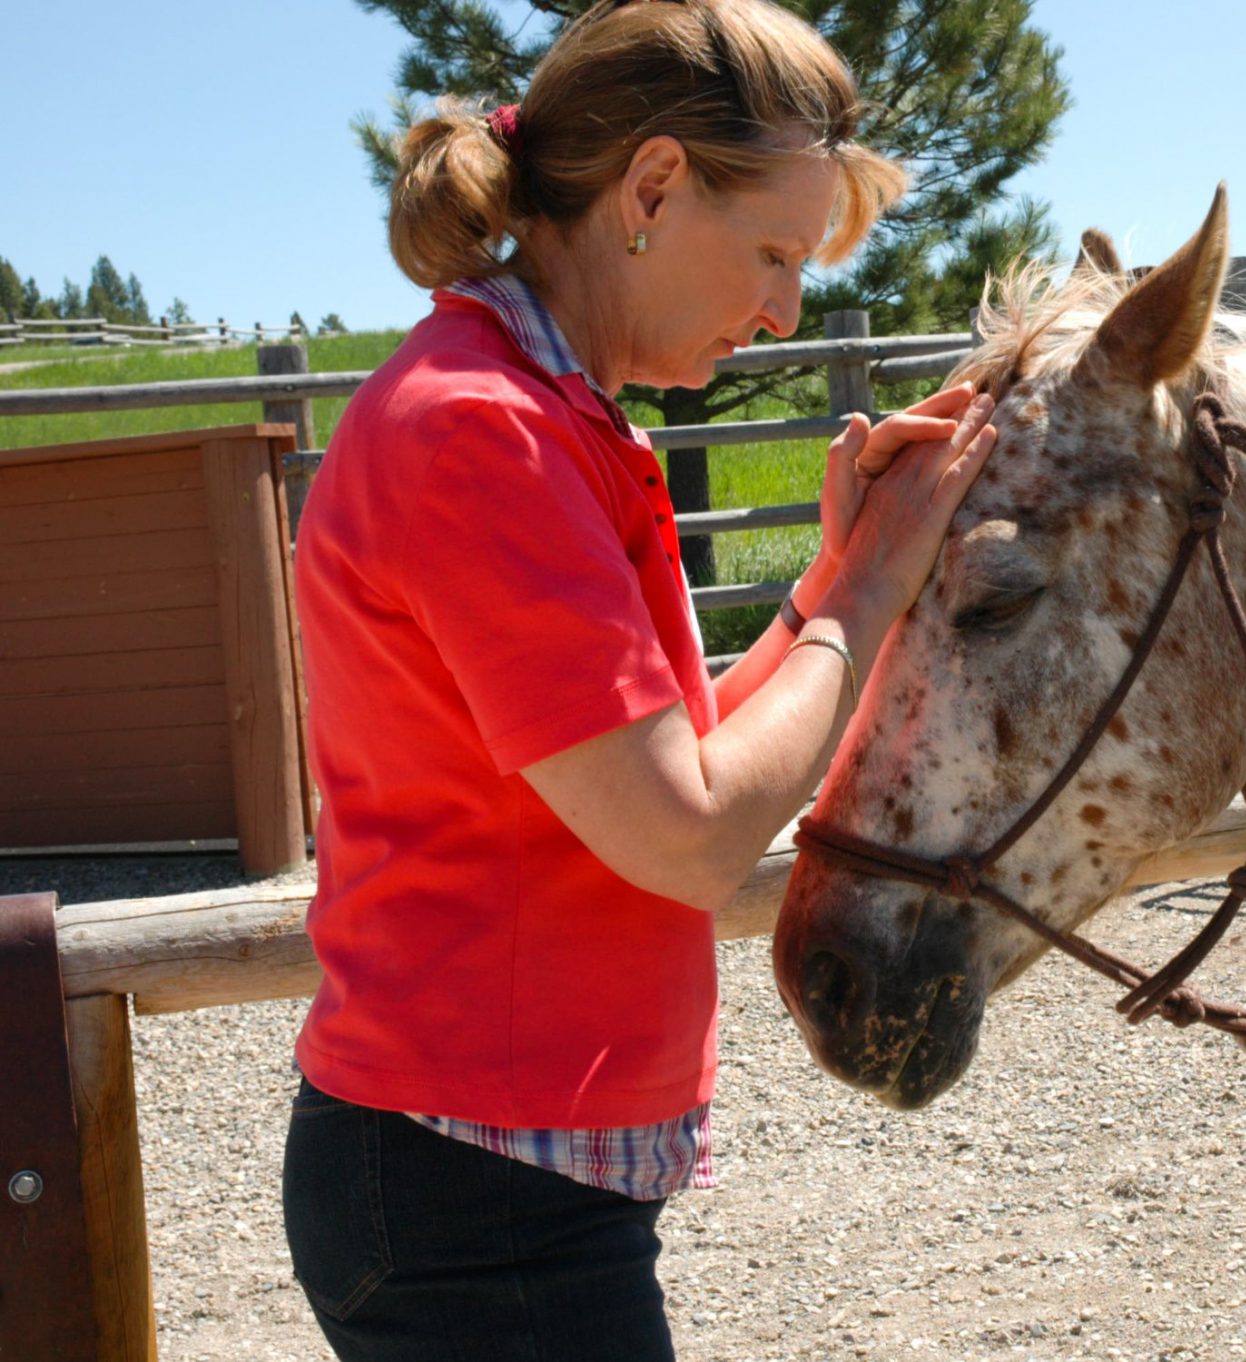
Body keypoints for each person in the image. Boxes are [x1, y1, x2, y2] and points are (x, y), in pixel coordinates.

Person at [280, 3, 997, 1358]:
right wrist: (869, 585)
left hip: (486, 1182)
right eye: (774, 251)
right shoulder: (479, 437)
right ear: (653, 187)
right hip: (476, 1195)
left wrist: (825, 582)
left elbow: (671, 759)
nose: (785, 306)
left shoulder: (534, 416)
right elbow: (690, 832)